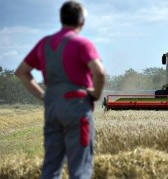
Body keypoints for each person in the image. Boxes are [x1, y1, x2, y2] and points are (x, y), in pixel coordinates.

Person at [15, 1, 105, 178]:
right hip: (76, 107)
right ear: (82, 22)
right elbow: (99, 73)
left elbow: (21, 72)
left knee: (51, 166)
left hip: (52, 107)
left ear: (61, 19)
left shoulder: (44, 43)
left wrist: (43, 96)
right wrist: (95, 94)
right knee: (79, 168)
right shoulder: (82, 44)